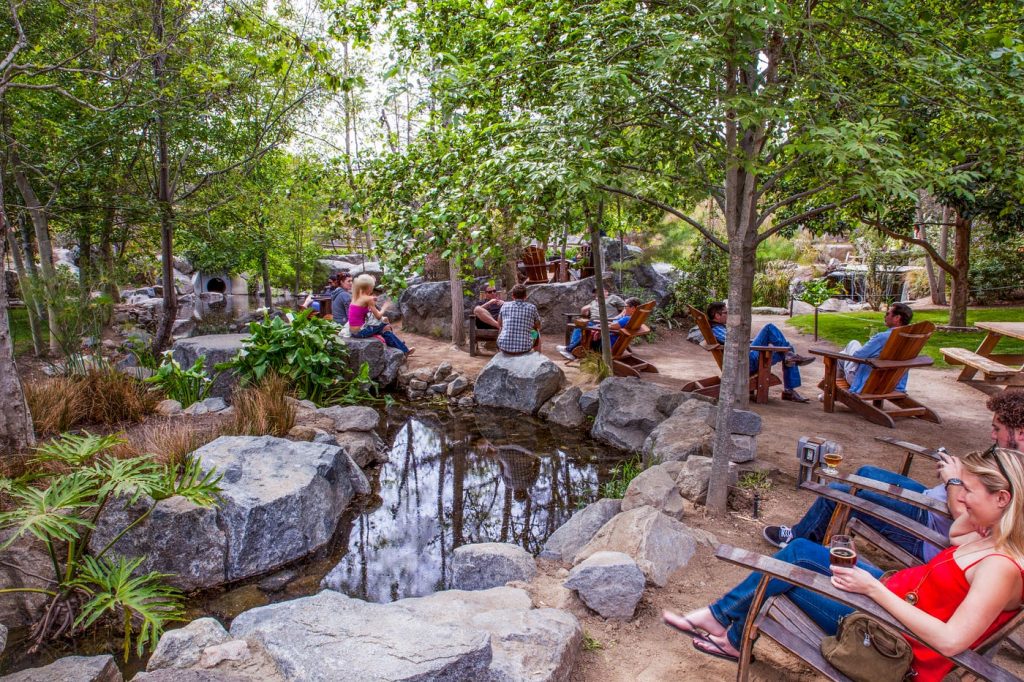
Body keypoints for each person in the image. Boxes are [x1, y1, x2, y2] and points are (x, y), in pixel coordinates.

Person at [665, 446, 1024, 681]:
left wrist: (874, 591)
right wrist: (983, 512)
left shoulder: (1001, 568)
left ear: (1002, 498)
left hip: (888, 640)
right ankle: (721, 619)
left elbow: (949, 641)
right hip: (893, 598)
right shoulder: (992, 538)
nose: (959, 498)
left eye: (969, 491)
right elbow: (957, 532)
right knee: (800, 550)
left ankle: (728, 631)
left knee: (787, 577)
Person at [762, 391, 1024, 557]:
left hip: (928, 529)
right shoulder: (1009, 457)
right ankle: (815, 532)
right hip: (931, 501)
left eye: (997, 429)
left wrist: (954, 480)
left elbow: (964, 516)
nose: (992, 435)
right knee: (866, 472)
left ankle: (798, 538)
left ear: (1020, 432)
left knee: (837, 493)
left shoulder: (1015, 475)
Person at [706, 301, 815, 403]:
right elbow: (734, 341)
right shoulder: (717, 329)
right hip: (745, 362)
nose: (728, 315)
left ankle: (788, 357)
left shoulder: (719, 328)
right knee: (769, 329)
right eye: (726, 313)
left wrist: (753, 340)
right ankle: (789, 389)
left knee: (788, 349)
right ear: (717, 315)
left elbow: (736, 341)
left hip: (744, 359)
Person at [839, 301, 914, 392]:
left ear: (897, 318)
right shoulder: (912, 339)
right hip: (894, 384)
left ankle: (831, 391)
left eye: (887, 314)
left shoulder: (883, 337)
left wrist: (871, 343)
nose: (884, 316)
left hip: (867, 383)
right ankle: (832, 391)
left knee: (851, 345)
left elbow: (857, 356)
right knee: (843, 354)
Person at [556, 282, 626, 360]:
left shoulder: (613, 298)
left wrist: (618, 317)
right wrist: (588, 307)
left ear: (606, 292)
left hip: (606, 322)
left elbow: (626, 308)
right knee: (579, 326)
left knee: (587, 329)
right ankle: (573, 349)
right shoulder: (593, 302)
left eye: (600, 291)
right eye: (596, 292)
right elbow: (584, 312)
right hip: (592, 322)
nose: (597, 293)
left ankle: (570, 350)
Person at [348, 274, 414, 355]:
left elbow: (363, 305)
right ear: (369, 287)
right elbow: (378, 316)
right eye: (372, 287)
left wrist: (372, 299)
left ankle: (400, 346)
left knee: (384, 328)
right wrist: (385, 307)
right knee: (384, 322)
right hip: (360, 332)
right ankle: (403, 348)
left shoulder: (356, 296)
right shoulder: (368, 299)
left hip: (353, 331)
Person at [497, 284, 541, 354]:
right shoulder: (532, 307)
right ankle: (537, 354)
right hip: (525, 348)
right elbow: (538, 325)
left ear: (513, 296)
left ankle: (500, 351)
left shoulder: (504, 305)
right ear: (525, 296)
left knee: (501, 328)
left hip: (504, 347)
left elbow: (499, 324)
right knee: (535, 330)